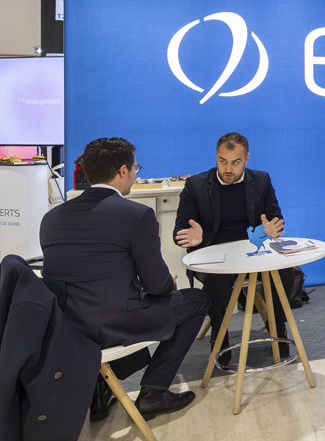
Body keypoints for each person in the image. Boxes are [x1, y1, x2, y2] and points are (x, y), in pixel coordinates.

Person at [40, 137, 209, 419]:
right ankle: (154, 392)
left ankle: (101, 389)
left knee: (129, 301)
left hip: (66, 327)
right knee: (197, 301)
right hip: (111, 326)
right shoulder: (137, 214)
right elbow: (157, 285)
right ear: (122, 171)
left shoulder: (51, 218)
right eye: (135, 168)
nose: (135, 175)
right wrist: (168, 282)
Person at [174, 132, 291, 363]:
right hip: (214, 252)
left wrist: (273, 229)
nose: (228, 169)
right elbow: (179, 231)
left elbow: (276, 220)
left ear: (246, 158)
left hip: (252, 250)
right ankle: (220, 334)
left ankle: (278, 326)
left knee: (285, 271)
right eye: (223, 161)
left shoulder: (261, 180)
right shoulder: (196, 185)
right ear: (216, 157)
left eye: (235, 162)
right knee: (217, 280)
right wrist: (194, 238)